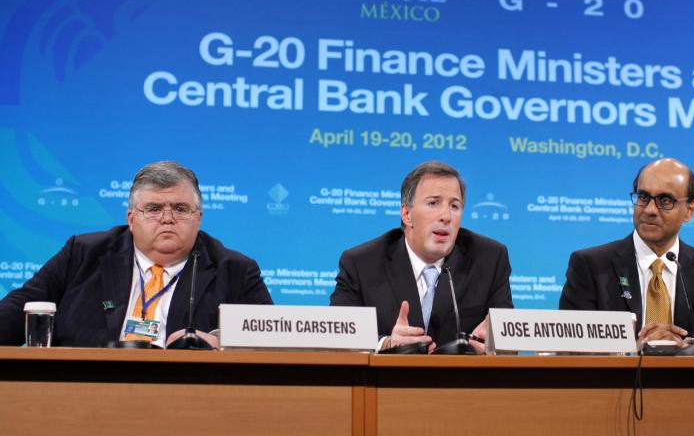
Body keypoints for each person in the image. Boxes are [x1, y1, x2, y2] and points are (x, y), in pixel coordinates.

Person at [0, 161, 272, 347]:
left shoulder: (235, 270)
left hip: (188, 397)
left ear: (198, 218)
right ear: (131, 219)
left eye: (180, 208)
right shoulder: (83, 253)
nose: (167, 218)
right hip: (85, 388)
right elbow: (18, 309)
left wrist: (219, 340)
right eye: (153, 209)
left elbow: (270, 339)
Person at [560, 158, 694, 351]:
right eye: (643, 197)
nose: (649, 210)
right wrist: (633, 352)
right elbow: (570, 347)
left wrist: (687, 349)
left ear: (689, 210)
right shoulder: (591, 266)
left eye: (665, 201)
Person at [331, 161, 513, 352]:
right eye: (433, 203)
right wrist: (387, 344)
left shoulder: (489, 259)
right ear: (406, 214)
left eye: (454, 206)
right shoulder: (362, 263)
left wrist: (494, 344)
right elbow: (338, 337)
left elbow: (509, 342)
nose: (446, 216)